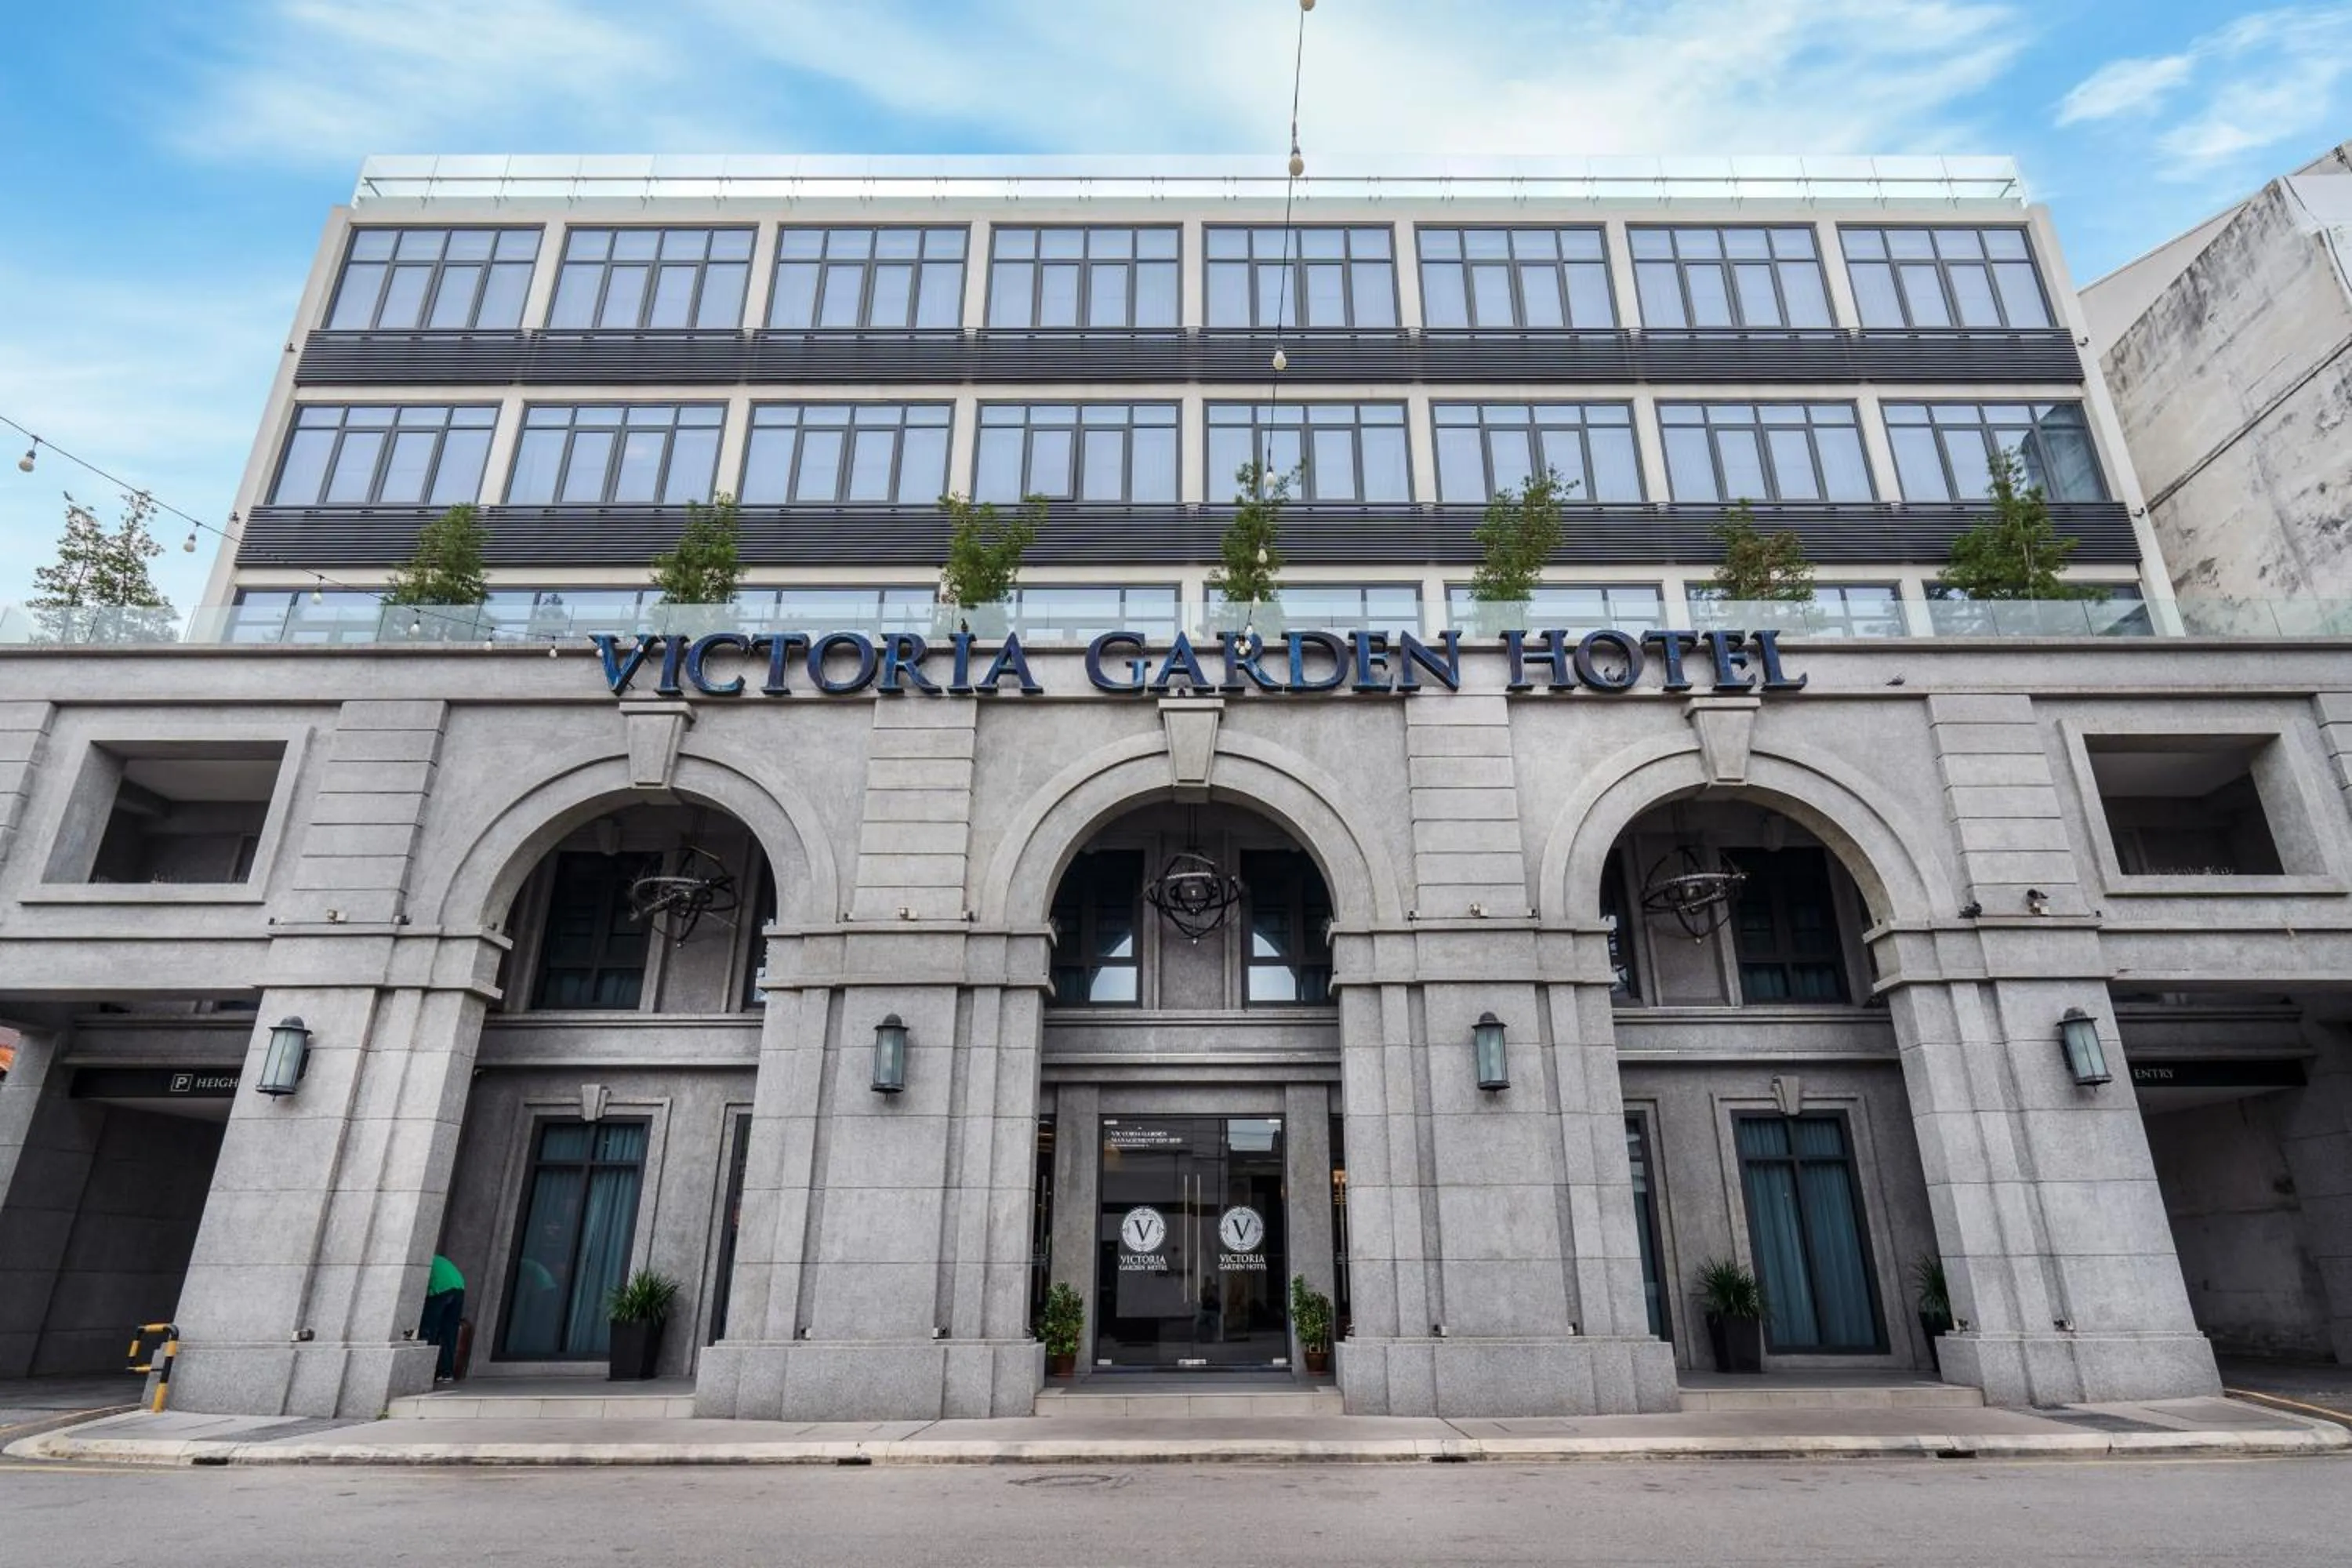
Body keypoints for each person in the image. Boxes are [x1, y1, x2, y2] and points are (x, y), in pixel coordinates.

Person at [420, 1253, 465, 1383]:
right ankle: (446, 1373)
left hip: (440, 1289)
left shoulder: (423, 1260)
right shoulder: (439, 1259)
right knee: (450, 1332)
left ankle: (425, 1369)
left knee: (429, 1329)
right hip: (459, 1288)